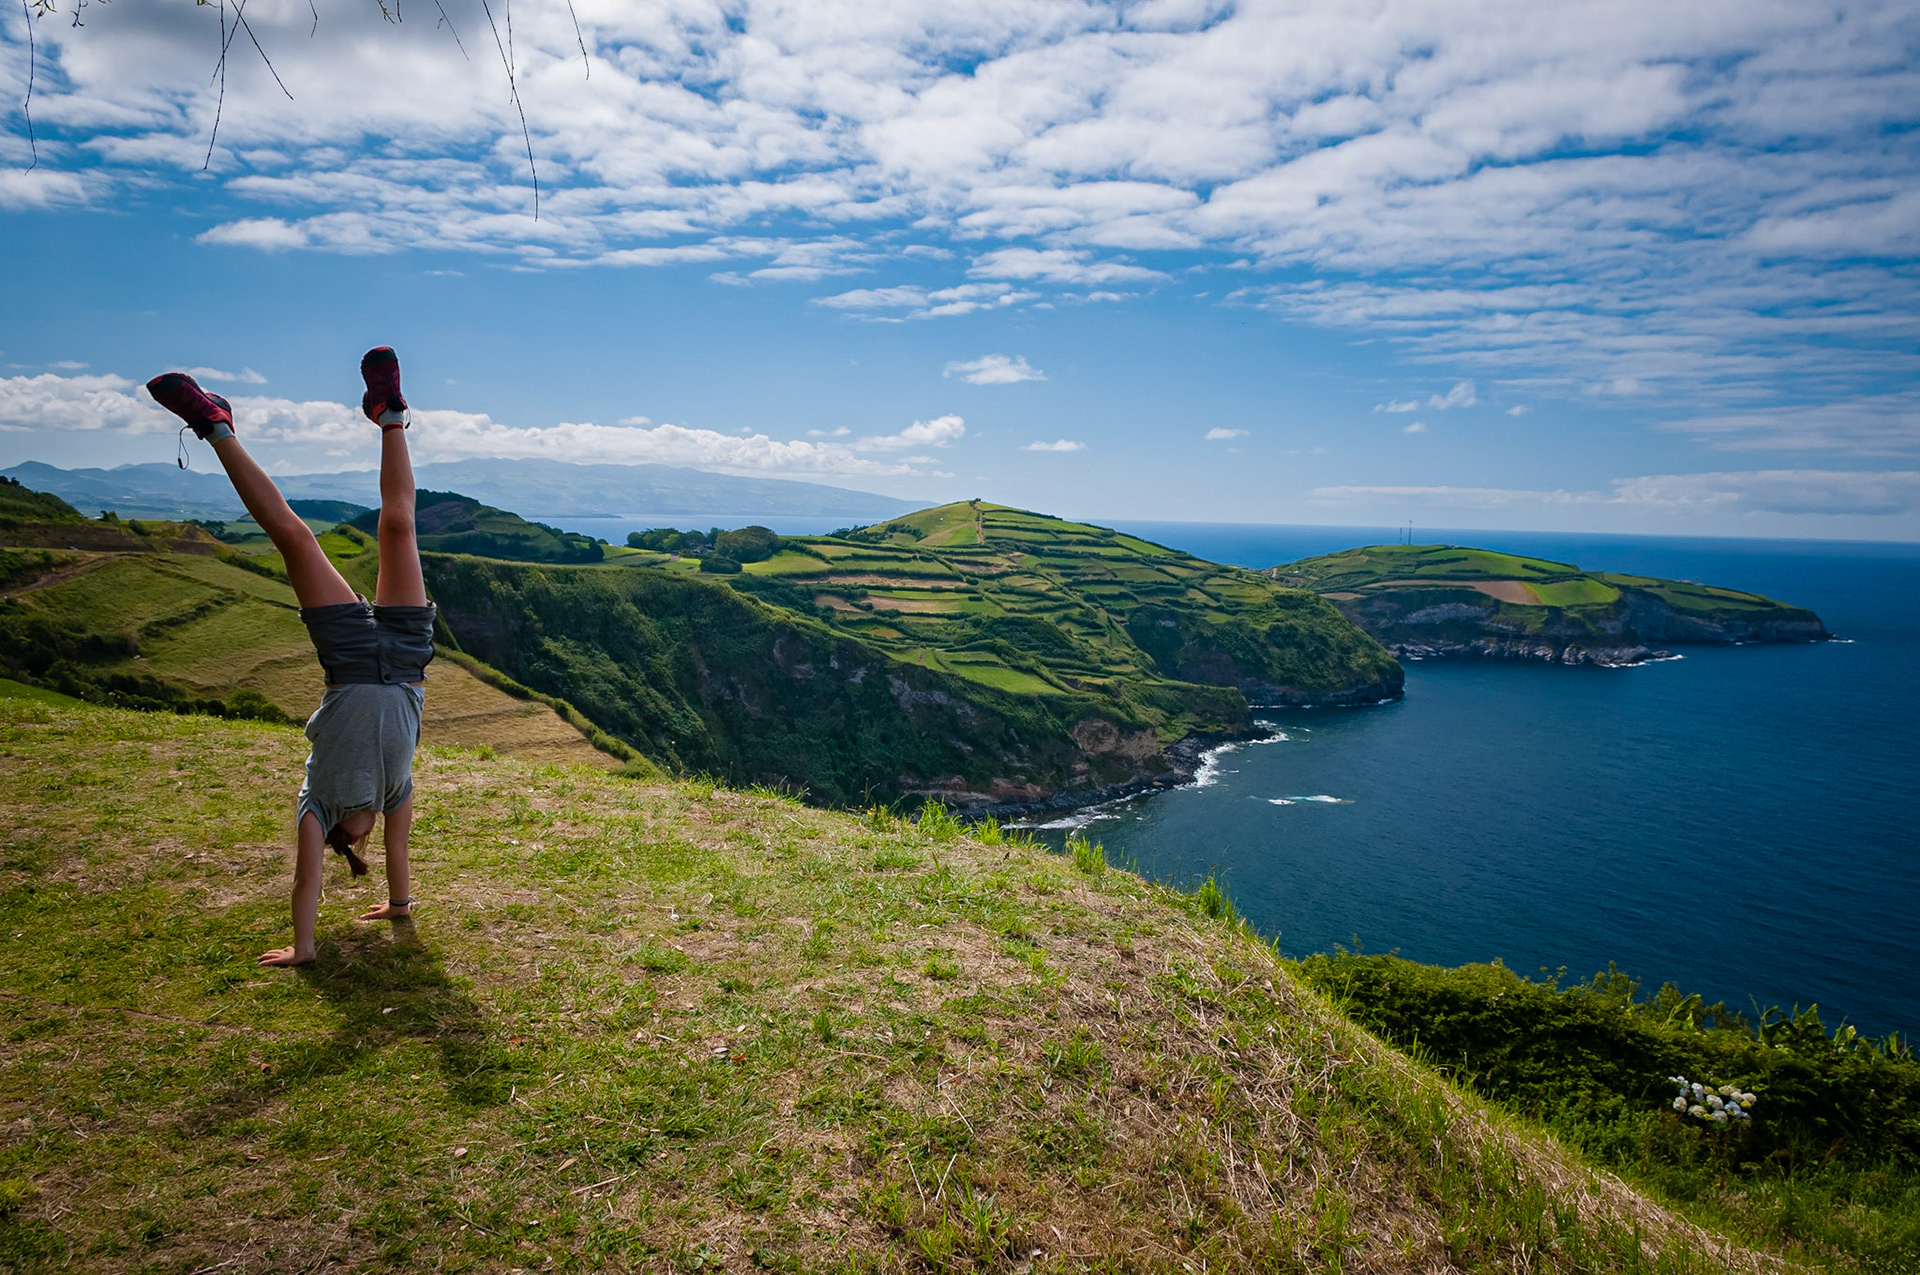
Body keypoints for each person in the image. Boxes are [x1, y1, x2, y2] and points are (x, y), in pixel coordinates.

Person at [147, 348, 435, 966]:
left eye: (358, 838)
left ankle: (214, 423)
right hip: (408, 658)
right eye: (371, 835)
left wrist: (304, 950)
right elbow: (399, 858)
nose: (370, 832)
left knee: (292, 536)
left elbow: (308, 882)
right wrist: (400, 907)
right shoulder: (395, 795)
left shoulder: (317, 804)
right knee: (399, 528)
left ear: (339, 838)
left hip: (350, 656)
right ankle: (389, 412)